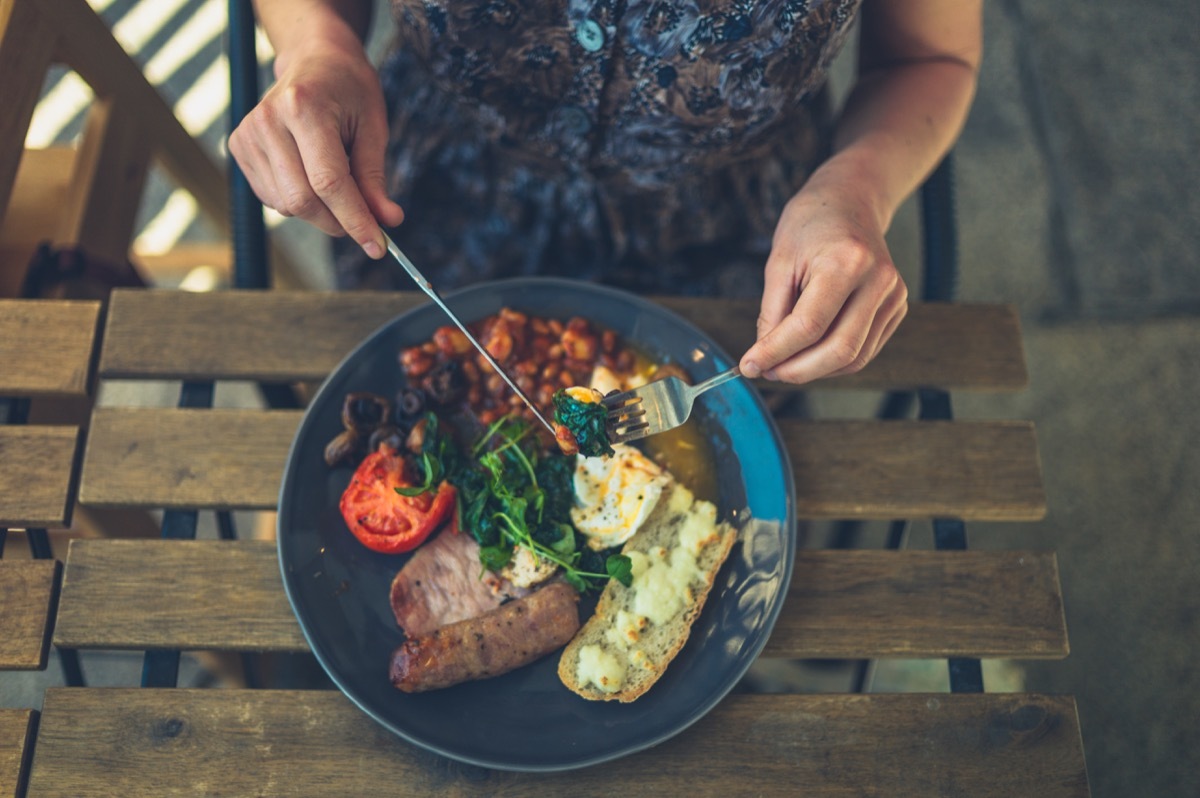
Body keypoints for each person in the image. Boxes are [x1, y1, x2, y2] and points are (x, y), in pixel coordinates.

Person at [230, 0, 982, 386]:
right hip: (431, 216)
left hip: (741, 256)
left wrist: (857, 186)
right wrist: (316, 47)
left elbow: (931, 55)